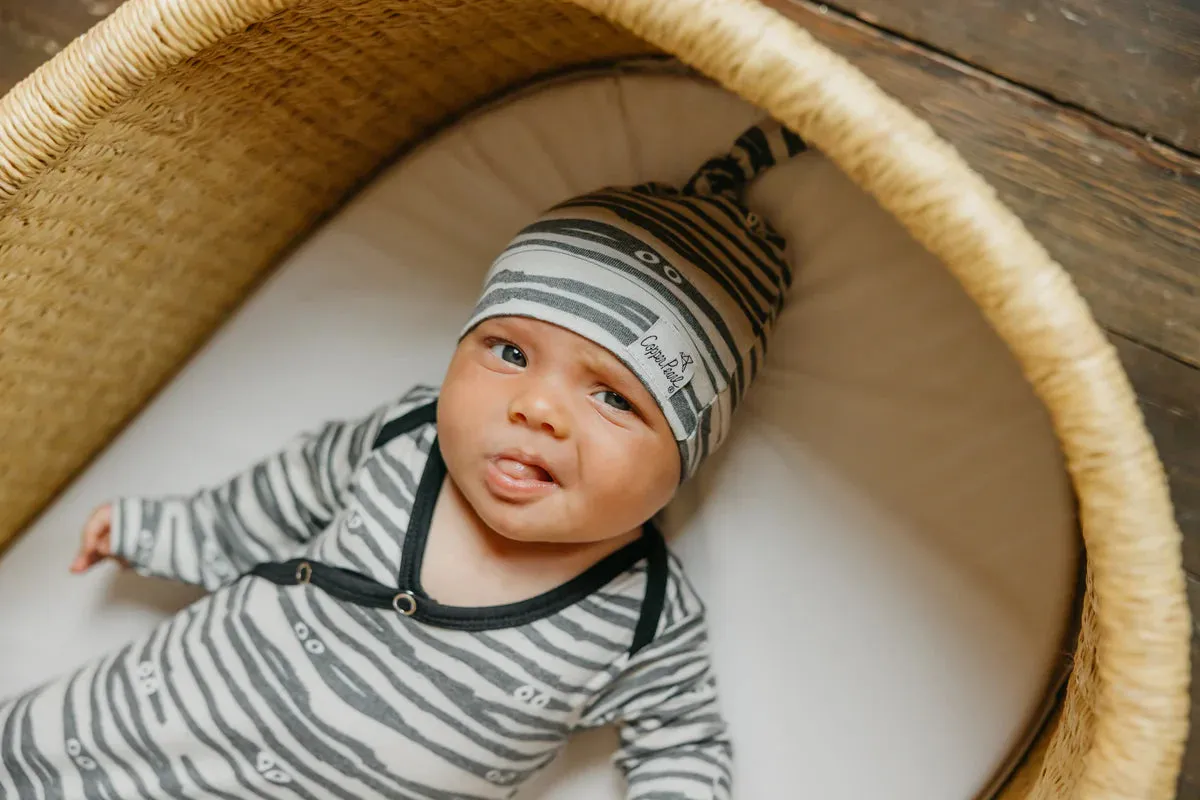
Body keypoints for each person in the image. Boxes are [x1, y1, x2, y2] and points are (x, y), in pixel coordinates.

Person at [2, 120, 806, 799]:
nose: (538, 408)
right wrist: (160, 529)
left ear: (688, 455)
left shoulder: (644, 615)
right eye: (509, 352)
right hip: (128, 728)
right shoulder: (406, 438)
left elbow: (681, 740)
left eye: (614, 398)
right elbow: (277, 497)